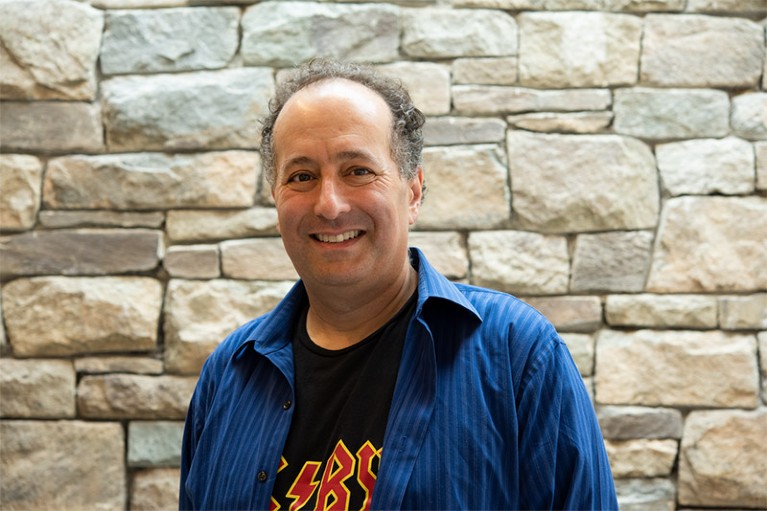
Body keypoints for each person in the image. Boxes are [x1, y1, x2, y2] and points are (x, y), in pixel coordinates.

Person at [179, 58, 618, 511]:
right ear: (277, 198)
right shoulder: (228, 374)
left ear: (412, 192)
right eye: (302, 176)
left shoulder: (516, 354)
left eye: (358, 171)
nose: (329, 205)